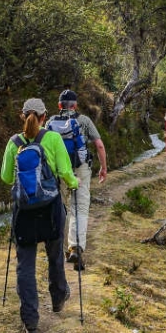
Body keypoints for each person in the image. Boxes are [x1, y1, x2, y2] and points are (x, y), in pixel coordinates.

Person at [0, 97, 79, 333]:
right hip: (51, 209)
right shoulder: (53, 138)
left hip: (24, 212)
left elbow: (6, 178)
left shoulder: (14, 143)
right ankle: (58, 299)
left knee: (25, 265)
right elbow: (65, 172)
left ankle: (31, 321)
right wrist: (75, 183)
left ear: (23, 116)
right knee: (55, 255)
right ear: (45, 117)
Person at [46, 88, 108, 271]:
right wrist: (104, 167)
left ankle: (62, 249)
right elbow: (99, 145)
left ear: (59, 106)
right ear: (75, 105)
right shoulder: (84, 121)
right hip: (80, 169)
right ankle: (76, 247)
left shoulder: (50, 122)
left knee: (62, 208)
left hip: (60, 171)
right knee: (79, 208)